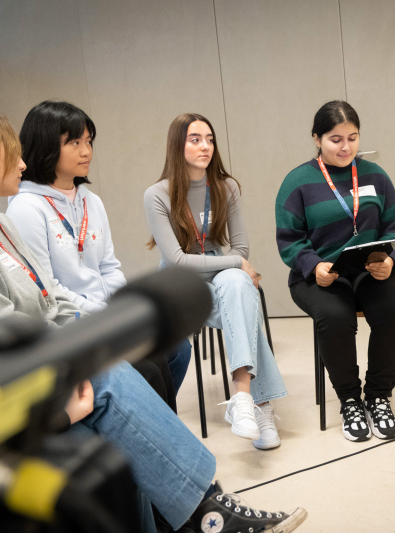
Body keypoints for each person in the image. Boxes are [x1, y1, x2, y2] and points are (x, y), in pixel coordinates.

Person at [0, 106, 305, 533]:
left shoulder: (1, 222)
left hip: (72, 324)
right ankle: (204, 509)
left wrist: (118, 317)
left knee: (175, 340)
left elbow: (57, 289)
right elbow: (9, 320)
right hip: (43, 353)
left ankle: (191, 498)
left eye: (88, 141)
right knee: (119, 370)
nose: (21, 163)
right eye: (75, 142)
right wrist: (92, 332)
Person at [6, 100, 190, 400]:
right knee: (147, 366)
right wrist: (103, 316)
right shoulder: (27, 207)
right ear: (45, 145)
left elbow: (109, 267)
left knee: (176, 346)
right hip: (70, 324)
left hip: (105, 314)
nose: (86, 151)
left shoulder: (91, 200)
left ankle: (163, 430)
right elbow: (46, 289)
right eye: (74, 142)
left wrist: (117, 308)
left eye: (88, 141)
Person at [144, 113, 287, 450]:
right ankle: (261, 405)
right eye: (195, 139)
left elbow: (242, 246)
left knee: (237, 286)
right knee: (241, 294)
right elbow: (180, 260)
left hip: (220, 275)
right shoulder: (157, 195)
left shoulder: (226, 187)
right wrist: (235, 264)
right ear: (177, 145)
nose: (205, 146)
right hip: (179, 284)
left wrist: (233, 265)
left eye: (209, 139)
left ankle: (242, 400)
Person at [275, 100, 395, 442]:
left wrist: (390, 260)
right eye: (336, 139)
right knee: (335, 317)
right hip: (320, 275)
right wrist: (313, 265)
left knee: (393, 311)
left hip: (369, 269)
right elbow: (289, 239)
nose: (346, 146)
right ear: (316, 138)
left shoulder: (375, 175)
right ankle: (350, 399)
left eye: (353, 137)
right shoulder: (297, 182)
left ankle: (378, 396)